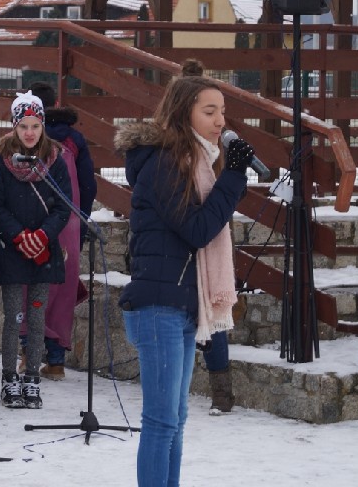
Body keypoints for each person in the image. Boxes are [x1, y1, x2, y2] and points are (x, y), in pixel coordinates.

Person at [114, 61, 251, 486]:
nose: (220, 121)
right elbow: (197, 229)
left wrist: (229, 176)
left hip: (182, 304)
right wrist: (234, 178)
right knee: (161, 422)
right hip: (159, 307)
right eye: (209, 111)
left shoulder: (197, 164)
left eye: (222, 111)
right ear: (182, 112)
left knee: (175, 420)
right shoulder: (163, 164)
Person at [0, 91, 71, 410]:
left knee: (36, 316)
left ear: (43, 126)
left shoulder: (55, 161)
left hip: (42, 252)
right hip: (13, 250)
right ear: (14, 127)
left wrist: (43, 235)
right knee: (13, 317)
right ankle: (9, 377)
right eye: (24, 126)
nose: (30, 132)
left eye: (35, 126)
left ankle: (32, 375)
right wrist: (19, 235)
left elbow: (63, 206)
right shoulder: (2, 162)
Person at [27, 81, 97, 381]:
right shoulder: (74, 139)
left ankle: (27, 355)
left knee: (29, 286)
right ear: (55, 103)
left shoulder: (25, 136)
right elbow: (88, 185)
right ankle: (56, 361)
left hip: (31, 221)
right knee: (62, 287)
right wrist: (80, 220)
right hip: (67, 221)